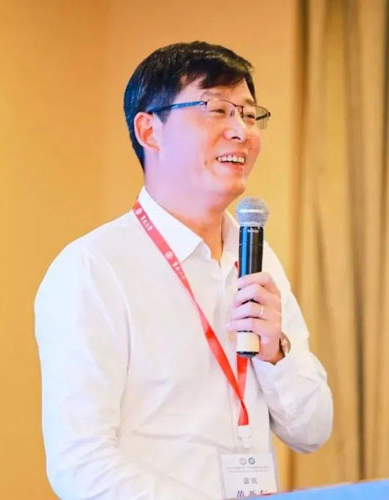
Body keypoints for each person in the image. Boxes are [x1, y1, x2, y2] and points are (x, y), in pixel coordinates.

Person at [35, 41, 333, 500]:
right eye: (217, 110)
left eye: (248, 114)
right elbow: (81, 464)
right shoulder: (94, 268)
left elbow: (312, 430)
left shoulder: (258, 261)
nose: (240, 131)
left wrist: (276, 353)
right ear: (149, 130)